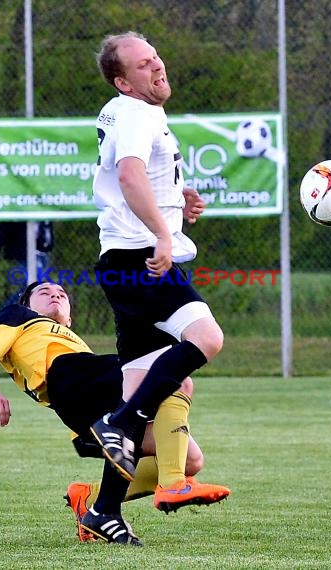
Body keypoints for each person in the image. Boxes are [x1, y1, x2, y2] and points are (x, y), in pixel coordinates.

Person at [0, 281, 230, 546]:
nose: (54, 296)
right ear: (27, 305)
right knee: (176, 378)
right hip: (72, 378)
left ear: (69, 318)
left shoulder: (70, 339)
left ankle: (90, 498)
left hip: (84, 410)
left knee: (191, 461)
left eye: (61, 294)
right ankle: (172, 484)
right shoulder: (18, 315)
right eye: (44, 293)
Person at [90, 31, 224, 486]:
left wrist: (174, 198)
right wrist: (163, 233)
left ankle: (101, 510)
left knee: (154, 387)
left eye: (154, 56)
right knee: (206, 338)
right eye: (143, 64)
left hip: (124, 260)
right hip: (140, 259)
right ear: (123, 82)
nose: (157, 65)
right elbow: (129, 175)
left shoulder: (133, 110)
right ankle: (120, 423)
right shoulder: (136, 111)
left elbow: (134, 176)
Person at [0, 221, 54, 321]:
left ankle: (26, 318)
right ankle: (0, 315)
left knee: (35, 287)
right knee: (33, 285)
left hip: (44, 253)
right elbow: (3, 229)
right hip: (27, 253)